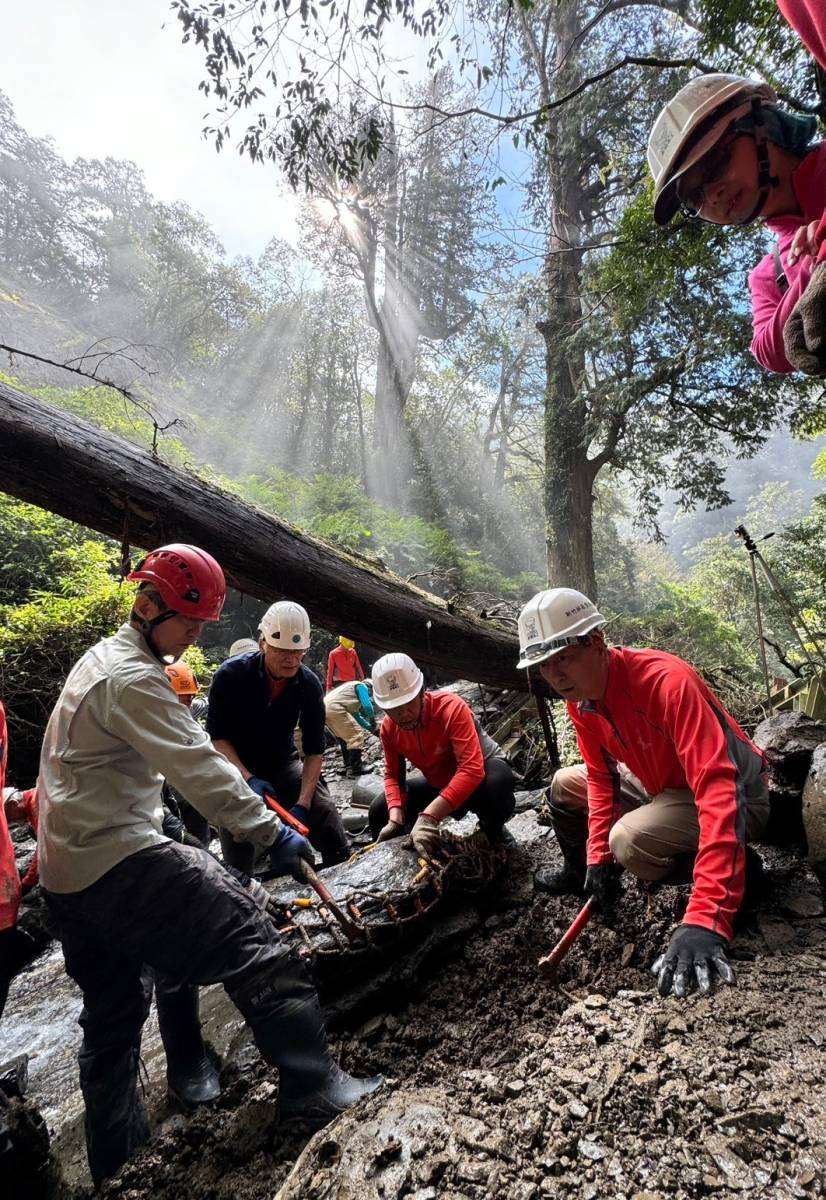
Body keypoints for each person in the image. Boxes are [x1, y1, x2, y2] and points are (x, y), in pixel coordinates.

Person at [37, 544, 380, 1186]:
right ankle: (312, 1084)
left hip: (69, 873)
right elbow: (197, 765)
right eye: (190, 622)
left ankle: (120, 1165)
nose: (197, 634)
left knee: (113, 1015)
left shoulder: (104, 662)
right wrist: (272, 832)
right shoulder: (133, 678)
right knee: (251, 930)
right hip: (115, 857)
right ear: (148, 607)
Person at [517, 588, 770, 1001]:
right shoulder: (581, 702)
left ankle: (738, 877)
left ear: (596, 642)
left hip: (739, 796)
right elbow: (601, 778)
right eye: (543, 665)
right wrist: (595, 857)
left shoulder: (665, 682)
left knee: (628, 842)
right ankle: (579, 872)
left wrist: (706, 917)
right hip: (661, 786)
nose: (555, 675)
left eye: (563, 658)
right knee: (565, 784)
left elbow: (718, 789)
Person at [647, 72, 825, 373]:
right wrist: (812, 268)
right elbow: (769, 351)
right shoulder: (769, 276)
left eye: (715, 163)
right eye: (694, 198)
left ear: (760, 123)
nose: (713, 196)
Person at [207, 601, 350, 870]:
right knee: (236, 833)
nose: (291, 660)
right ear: (263, 644)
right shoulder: (231, 676)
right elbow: (218, 739)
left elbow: (315, 749)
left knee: (324, 811)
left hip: (282, 763)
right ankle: (244, 881)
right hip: (236, 766)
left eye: (298, 653)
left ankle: (342, 862)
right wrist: (247, 778)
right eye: (283, 652)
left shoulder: (307, 684)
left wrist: (303, 805)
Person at [368, 653, 516, 856]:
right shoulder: (389, 728)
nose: (402, 714)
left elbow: (471, 769)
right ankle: (406, 853)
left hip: (480, 775)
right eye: (393, 709)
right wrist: (395, 817)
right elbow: (393, 775)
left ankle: (494, 829)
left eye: (408, 703)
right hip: (440, 782)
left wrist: (429, 816)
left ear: (421, 692)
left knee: (498, 781)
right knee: (379, 809)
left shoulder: (450, 707)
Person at [324, 678, 375, 777]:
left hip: (325, 708)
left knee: (344, 738)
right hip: (334, 708)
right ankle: (357, 767)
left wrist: (369, 728)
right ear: (370, 688)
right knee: (356, 735)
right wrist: (372, 719)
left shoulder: (348, 695)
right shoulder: (361, 686)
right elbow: (367, 706)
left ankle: (348, 766)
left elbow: (357, 717)